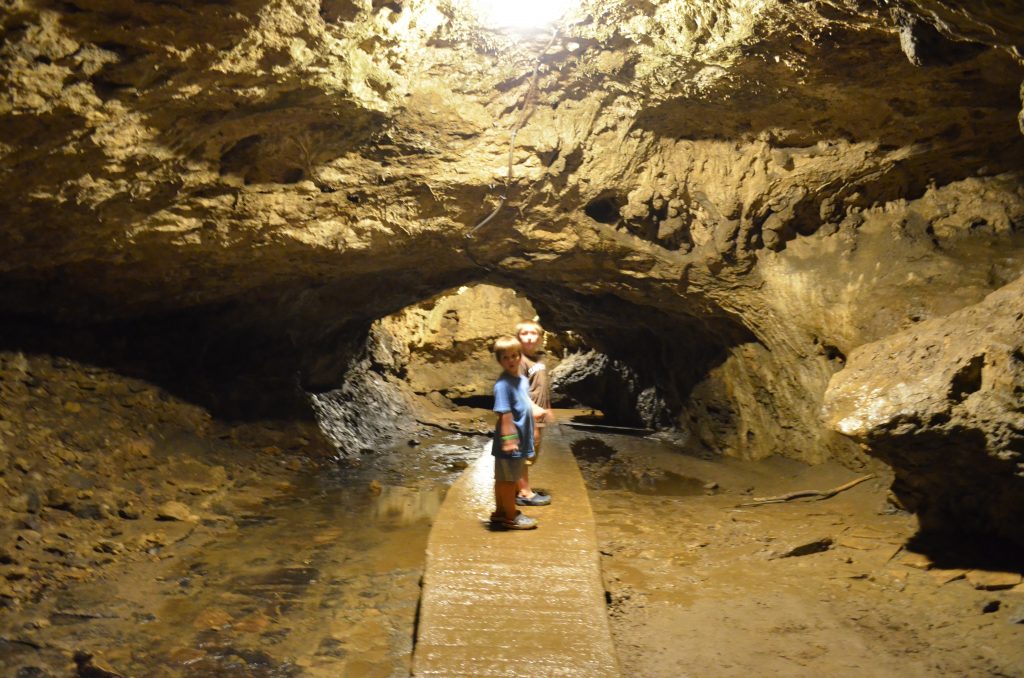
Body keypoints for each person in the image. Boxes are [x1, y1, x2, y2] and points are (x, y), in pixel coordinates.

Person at [489, 335, 539, 530]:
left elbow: (525, 406)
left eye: (514, 356)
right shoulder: (503, 385)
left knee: (504, 478)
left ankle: (500, 512)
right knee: (508, 481)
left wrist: (533, 429)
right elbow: (505, 414)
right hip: (510, 443)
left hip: (520, 440)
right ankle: (511, 515)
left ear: (520, 356)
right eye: (505, 358)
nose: (511, 360)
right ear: (499, 361)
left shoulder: (521, 380)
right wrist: (509, 440)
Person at [515, 320, 553, 507]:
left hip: (537, 415)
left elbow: (539, 387)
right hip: (526, 416)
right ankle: (524, 493)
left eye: (533, 333)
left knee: (530, 453)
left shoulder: (536, 359)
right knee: (525, 454)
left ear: (540, 337)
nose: (529, 337)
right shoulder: (518, 360)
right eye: (524, 333)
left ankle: (520, 488)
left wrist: (547, 408)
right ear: (517, 336)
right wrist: (534, 411)